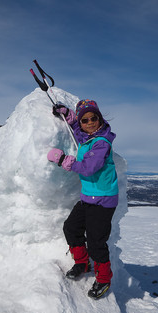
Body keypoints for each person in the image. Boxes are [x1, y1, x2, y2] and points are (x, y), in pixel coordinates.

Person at [47, 99, 118, 299]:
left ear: (100, 119)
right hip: (88, 198)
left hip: (103, 201)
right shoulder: (88, 136)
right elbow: (78, 131)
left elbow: (88, 167)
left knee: (96, 242)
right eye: (84, 120)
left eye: (93, 118)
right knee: (71, 228)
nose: (89, 123)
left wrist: (62, 160)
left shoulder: (101, 142)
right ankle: (82, 263)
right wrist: (68, 115)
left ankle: (104, 279)